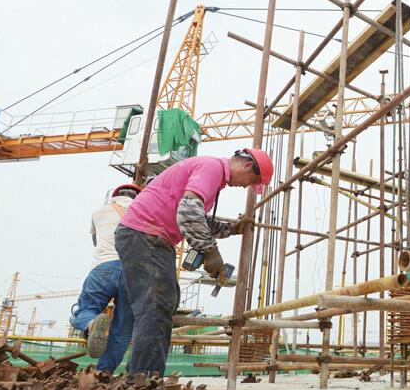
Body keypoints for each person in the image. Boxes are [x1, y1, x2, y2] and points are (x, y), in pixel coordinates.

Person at [115, 148, 274, 375]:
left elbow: (197, 216)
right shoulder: (211, 168)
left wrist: (231, 229)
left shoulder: (212, 174)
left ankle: (143, 375)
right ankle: (143, 379)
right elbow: (188, 211)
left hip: (147, 236)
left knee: (162, 303)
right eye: (252, 181)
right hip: (146, 235)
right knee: (155, 306)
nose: (246, 186)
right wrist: (209, 251)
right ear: (248, 166)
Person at [70, 183, 140, 372]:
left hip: (103, 267)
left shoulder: (98, 212)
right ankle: (104, 372)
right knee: (123, 327)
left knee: (86, 309)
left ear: (114, 197)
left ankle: (90, 323)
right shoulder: (142, 211)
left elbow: (95, 241)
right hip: (132, 272)